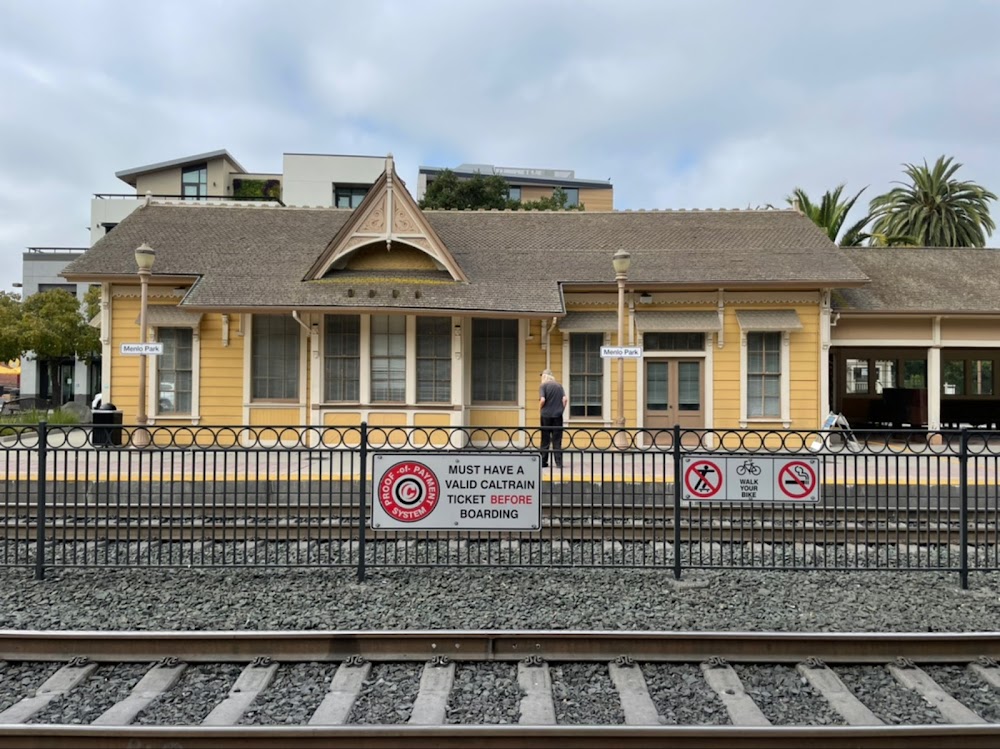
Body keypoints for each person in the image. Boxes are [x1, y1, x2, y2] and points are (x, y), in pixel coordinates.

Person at [539, 369, 568, 469]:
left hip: (546, 415)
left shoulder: (543, 386)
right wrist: (561, 409)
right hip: (557, 416)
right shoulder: (559, 386)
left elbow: (542, 400)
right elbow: (565, 399)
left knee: (545, 438)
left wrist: (540, 408)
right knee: (557, 439)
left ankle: (543, 461)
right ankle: (558, 463)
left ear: (545, 377)